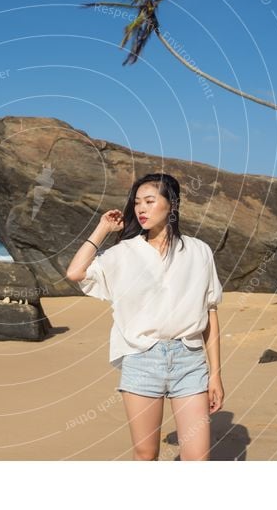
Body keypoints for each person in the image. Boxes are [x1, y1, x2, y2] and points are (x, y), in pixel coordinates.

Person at [66, 172, 224, 461]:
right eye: (137, 202)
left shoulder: (199, 251)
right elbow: (75, 272)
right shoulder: (123, 252)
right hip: (142, 358)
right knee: (146, 454)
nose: (141, 208)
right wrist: (102, 229)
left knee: (198, 457)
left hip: (189, 360)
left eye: (150, 201)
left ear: (172, 205)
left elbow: (210, 314)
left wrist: (215, 375)